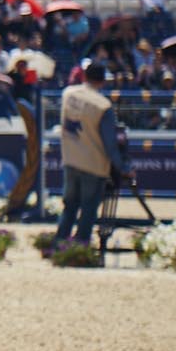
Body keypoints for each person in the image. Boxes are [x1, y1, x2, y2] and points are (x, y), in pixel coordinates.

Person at [55, 63, 131, 245]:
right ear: (103, 81)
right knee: (88, 209)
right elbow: (110, 143)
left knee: (69, 208)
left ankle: (58, 245)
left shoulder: (68, 94)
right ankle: (80, 246)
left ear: (84, 76)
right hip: (93, 164)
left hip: (70, 159)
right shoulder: (103, 106)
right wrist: (123, 168)